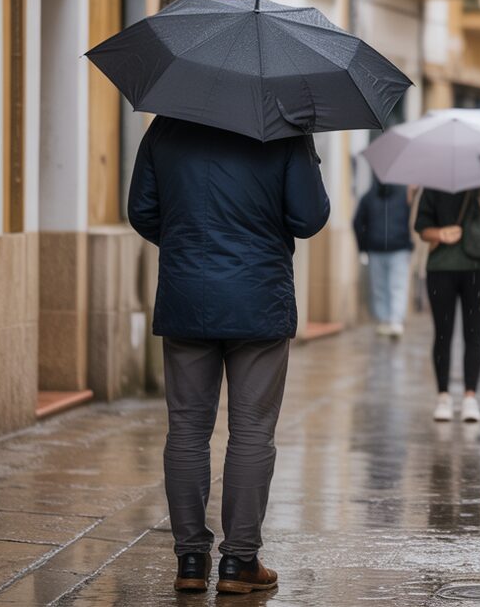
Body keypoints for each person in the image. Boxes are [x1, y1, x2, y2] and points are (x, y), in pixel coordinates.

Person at [128, 116, 330, 595]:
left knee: (187, 430)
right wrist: (306, 150)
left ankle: (191, 562)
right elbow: (308, 217)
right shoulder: (284, 126)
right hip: (258, 299)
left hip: (186, 296)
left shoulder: (166, 126)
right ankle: (240, 563)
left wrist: (188, 247)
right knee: (253, 431)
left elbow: (142, 211)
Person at [413, 185, 480, 423]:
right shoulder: (434, 184)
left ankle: (470, 397)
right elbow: (421, 227)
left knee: (474, 335)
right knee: (443, 334)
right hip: (442, 268)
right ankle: (443, 397)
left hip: (479, 268)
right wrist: (441, 233)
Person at [353, 178, 414, 337]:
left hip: (382, 248)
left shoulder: (369, 196)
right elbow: (358, 222)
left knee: (382, 287)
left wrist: (363, 246)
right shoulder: (403, 194)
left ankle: (386, 320)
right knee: (395, 286)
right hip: (393, 247)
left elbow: (358, 222)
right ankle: (393, 321)